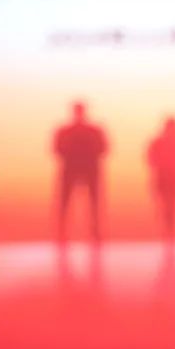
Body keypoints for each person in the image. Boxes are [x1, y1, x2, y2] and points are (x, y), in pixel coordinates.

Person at [53, 101, 108, 243]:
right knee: (66, 203)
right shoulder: (67, 131)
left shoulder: (91, 131)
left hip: (87, 169)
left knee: (93, 203)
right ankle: (63, 232)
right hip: (74, 168)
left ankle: (94, 232)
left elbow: (103, 148)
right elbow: (57, 149)